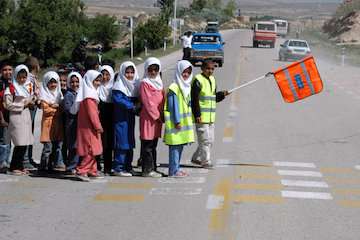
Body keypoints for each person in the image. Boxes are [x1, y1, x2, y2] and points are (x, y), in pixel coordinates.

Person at [191, 60, 230, 168]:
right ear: (202, 68)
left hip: (210, 118)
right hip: (201, 117)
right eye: (208, 68)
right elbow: (194, 100)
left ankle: (196, 158)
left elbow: (212, 98)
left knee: (210, 140)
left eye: (212, 69)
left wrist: (222, 94)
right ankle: (205, 161)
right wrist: (197, 115)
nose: (210, 71)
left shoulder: (212, 80)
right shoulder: (198, 80)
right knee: (205, 140)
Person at [164, 60, 195, 177]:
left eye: (188, 72)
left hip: (183, 123)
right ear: (178, 72)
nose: (186, 75)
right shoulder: (174, 87)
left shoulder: (186, 86)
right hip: (176, 123)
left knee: (180, 146)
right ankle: (173, 170)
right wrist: (177, 121)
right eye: (184, 72)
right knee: (175, 148)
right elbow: (173, 106)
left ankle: (176, 168)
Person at [4, 65, 35, 175]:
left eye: (24, 77)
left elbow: (31, 98)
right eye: (20, 77)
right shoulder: (11, 89)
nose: (22, 80)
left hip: (26, 116)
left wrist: (32, 101)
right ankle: (14, 167)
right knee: (19, 143)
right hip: (17, 117)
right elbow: (7, 105)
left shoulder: (27, 87)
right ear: (15, 77)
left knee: (25, 143)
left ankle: (20, 166)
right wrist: (22, 104)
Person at [112, 61, 141, 177]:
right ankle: (118, 168)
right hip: (121, 119)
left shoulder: (133, 86)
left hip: (130, 119)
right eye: (127, 72)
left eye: (132, 72)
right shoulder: (118, 86)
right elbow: (119, 100)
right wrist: (133, 106)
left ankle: (128, 166)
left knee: (130, 142)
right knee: (121, 143)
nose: (129, 75)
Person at [74, 70, 103, 181]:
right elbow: (92, 114)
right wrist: (98, 126)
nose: (98, 83)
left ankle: (92, 169)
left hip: (89, 127)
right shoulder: (89, 97)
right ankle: (82, 170)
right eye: (96, 80)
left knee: (94, 149)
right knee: (90, 150)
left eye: (99, 80)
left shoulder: (90, 93)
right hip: (89, 128)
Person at [140, 57, 165, 178]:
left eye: (156, 69)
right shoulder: (145, 83)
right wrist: (157, 116)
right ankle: (147, 170)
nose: (153, 72)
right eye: (150, 70)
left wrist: (163, 115)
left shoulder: (159, 82)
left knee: (153, 144)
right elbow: (148, 102)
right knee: (147, 145)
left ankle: (153, 168)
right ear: (146, 70)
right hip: (149, 119)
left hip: (157, 119)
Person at [38, 71, 65, 173]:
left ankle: (51, 166)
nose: (53, 85)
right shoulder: (44, 95)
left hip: (57, 125)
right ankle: (43, 166)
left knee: (55, 146)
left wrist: (55, 107)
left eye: (55, 82)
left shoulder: (59, 95)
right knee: (47, 147)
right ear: (46, 83)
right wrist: (56, 108)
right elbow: (46, 110)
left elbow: (62, 108)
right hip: (47, 125)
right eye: (50, 82)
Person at [63, 72, 82, 174]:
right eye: (72, 82)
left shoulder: (80, 93)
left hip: (80, 123)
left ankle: (77, 165)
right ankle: (71, 166)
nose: (75, 84)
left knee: (78, 145)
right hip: (72, 123)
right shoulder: (69, 94)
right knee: (73, 146)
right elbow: (68, 109)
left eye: (77, 82)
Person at [24, 56, 40, 170]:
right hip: (29, 107)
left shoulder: (32, 78)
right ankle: (25, 159)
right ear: (35, 66)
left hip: (32, 107)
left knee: (30, 133)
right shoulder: (28, 79)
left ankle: (28, 158)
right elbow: (29, 94)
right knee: (27, 133)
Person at [98, 65, 115, 175]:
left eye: (107, 74)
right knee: (100, 143)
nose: (105, 77)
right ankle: (97, 166)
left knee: (109, 144)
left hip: (112, 119)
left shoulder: (114, 88)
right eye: (102, 74)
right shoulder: (97, 88)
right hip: (99, 120)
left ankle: (108, 167)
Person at [0, 60, 12, 173]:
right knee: (3, 141)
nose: (7, 72)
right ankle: (2, 163)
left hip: (11, 116)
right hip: (2, 116)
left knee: (8, 140)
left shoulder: (13, 82)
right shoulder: (1, 84)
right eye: (4, 70)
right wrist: (2, 119)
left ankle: (7, 161)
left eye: (9, 69)